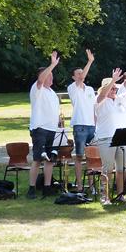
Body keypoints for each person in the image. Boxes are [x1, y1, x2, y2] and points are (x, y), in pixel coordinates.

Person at [94, 63, 126, 206]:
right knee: (108, 168)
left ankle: (121, 195)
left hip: (121, 137)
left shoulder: (119, 99)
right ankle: (105, 196)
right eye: (112, 88)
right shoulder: (99, 100)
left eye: (115, 88)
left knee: (121, 168)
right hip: (106, 138)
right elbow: (102, 95)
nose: (114, 89)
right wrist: (113, 80)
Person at [26, 52, 62, 199]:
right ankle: (31, 189)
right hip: (40, 128)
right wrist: (52, 64)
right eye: (49, 75)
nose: (52, 77)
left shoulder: (52, 92)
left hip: (52, 129)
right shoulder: (37, 89)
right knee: (37, 159)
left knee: (50, 159)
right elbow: (41, 80)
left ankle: (47, 187)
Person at [67, 49, 96, 189]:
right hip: (80, 126)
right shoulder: (72, 88)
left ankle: (91, 185)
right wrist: (90, 61)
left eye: (81, 72)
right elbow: (81, 79)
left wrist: (96, 124)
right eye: (78, 74)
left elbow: (94, 108)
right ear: (73, 77)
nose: (81, 75)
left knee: (92, 157)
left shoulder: (90, 89)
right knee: (79, 157)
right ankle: (79, 186)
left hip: (91, 126)